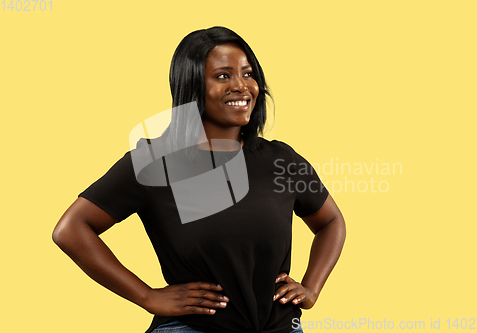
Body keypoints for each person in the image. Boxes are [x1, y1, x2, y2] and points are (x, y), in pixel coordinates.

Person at [53, 26, 346, 333]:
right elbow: (71, 230)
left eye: (248, 74)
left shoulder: (281, 160)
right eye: (223, 76)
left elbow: (331, 222)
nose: (242, 86)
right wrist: (146, 296)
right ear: (192, 86)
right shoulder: (154, 162)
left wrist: (311, 288)